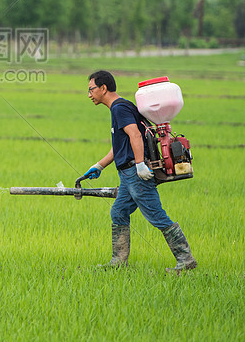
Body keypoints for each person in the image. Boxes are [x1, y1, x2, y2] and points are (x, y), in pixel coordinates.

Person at [83, 69, 197, 273]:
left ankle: (185, 259)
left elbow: (135, 136)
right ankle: (118, 262)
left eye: (91, 89)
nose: (89, 94)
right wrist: (99, 165)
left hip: (135, 174)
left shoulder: (119, 109)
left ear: (103, 88)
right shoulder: (122, 107)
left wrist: (139, 165)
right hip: (128, 175)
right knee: (118, 212)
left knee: (156, 215)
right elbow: (120, 145)